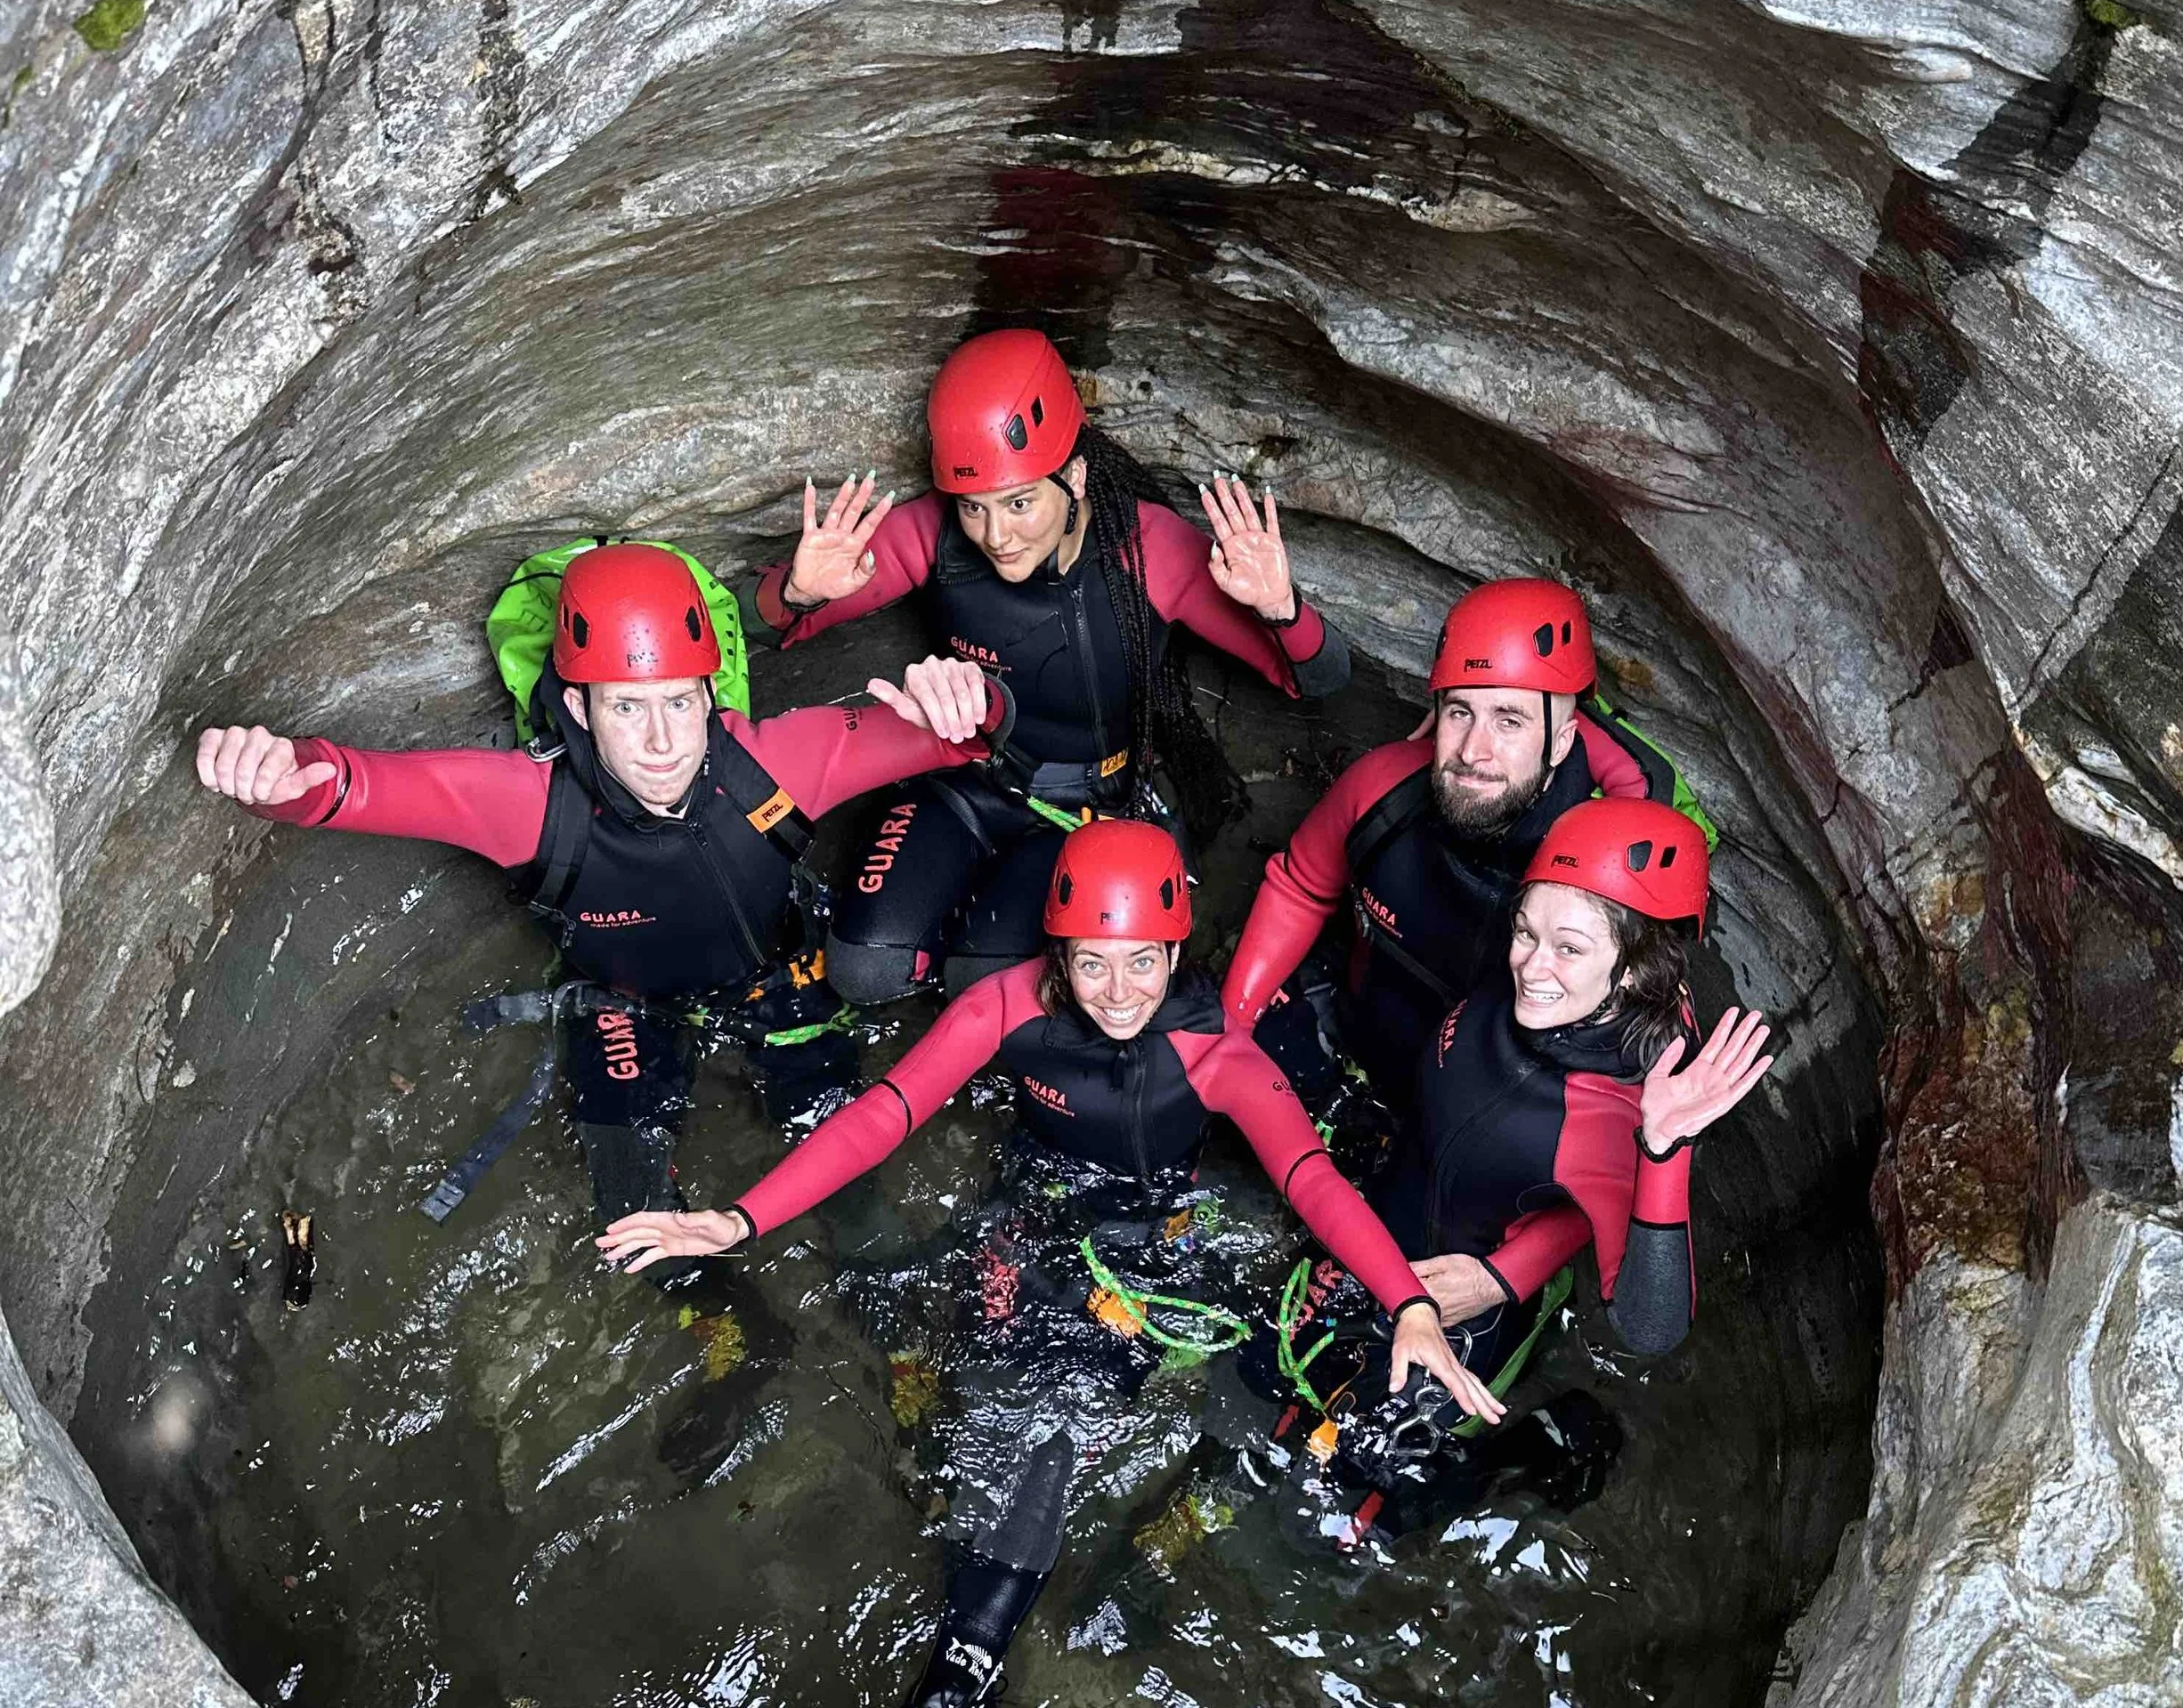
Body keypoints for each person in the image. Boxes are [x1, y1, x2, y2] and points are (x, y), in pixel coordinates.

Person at [596, 819, 1497, 1708]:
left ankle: (950, 1684)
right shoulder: (1005, 1008)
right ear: (1058, 954)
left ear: (1175, 952)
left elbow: (1309, 1176)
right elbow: (889, 1112)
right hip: (1032, 1212)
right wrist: (738, 1217)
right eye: (1092, 965)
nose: (1117, 994)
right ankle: (955, 1681)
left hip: (1156, 1244)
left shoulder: (1215, 1055)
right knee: (971, 1416)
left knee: (1059, 1421)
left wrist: (1407, 1302)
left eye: (1142, 965)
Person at [194, 541, 1018, 1225]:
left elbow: (971, 740)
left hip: (776, 979)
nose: (661, 742)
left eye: (678, 704)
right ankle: (737, 1343)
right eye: (626, 709)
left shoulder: (778, 761)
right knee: (636, 1225)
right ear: (581, 710)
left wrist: (968, 700)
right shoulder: (527, 804)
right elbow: (359, 784)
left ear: (710, 694)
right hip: (624, 1005)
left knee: (847, 1183)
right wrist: (278, 775)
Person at [753, 328, 1353, 1003]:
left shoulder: (1147, 551)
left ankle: (976, 928)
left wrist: (1281, 608)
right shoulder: (933, 535)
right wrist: (800, 590)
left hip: (1085, 804)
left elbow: (1320, 679)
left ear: (1074, 475)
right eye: (973, 507)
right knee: (865, 973)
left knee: (984, 986)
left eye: (1019, 503)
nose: (996, 535)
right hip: (964, 780)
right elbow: (760, 625)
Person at [1275, 797, 1772, 1538]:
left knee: (1371, 1512)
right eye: (1525, 930)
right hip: (1385, 1223)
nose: (1531, 966)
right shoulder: (1526, 980)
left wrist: (1661, 1151)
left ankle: (1541, 1448)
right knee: (1271, 1398)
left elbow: (1649, 1324)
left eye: (1568, 948)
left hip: (1470, 1308)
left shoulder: (1621, 1109)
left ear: (1636, 971)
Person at [1221, 577, 1700, 1113]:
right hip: (1355, 1036)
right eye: (1459, 711)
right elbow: (1300, 887)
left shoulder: (1604, 873)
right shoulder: (1385, 789)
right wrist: (1230, 1033)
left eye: (1509, 720)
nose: (1474, 751)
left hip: (1474, 1113)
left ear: (1565, 742)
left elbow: (1650, 800)